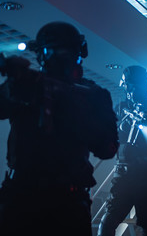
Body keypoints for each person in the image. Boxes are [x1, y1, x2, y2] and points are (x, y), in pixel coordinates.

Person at [0, 22, 119, 236]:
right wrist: (13, 87)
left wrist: (73, 111)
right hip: (23, 196)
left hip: (67, 201)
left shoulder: (93, 95)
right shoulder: (29, 85)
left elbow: (107, 149)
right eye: (54, 52)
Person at [98, 66, 147, 236]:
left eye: (135, 86)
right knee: (108, 222)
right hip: (124, 173)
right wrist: (119, 125)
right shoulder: (121, 107)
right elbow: (106, 134)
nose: (131, 90)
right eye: (129, 86)